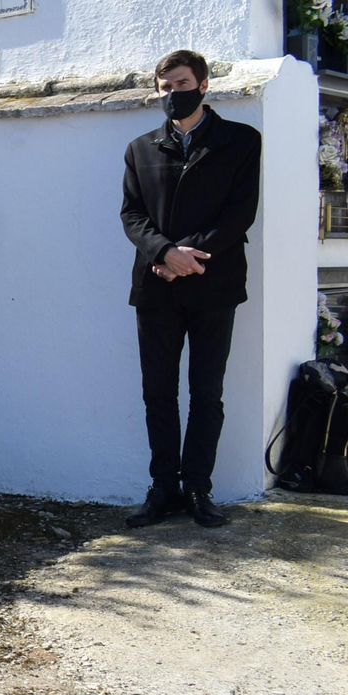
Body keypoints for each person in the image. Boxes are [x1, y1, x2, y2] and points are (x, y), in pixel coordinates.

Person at [121, 49, 260, 529]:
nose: (171, 95)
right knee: (157, 393)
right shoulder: (140, 148)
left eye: (180, 85)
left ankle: (198, 488)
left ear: (202, 85)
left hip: (213, 285)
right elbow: (132, 215)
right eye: (164, 87)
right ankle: (163, 489)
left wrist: (189, 257)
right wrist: (163, 253)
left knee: (207, 393)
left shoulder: (241, 141)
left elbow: (240, 213)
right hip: (156, 287)